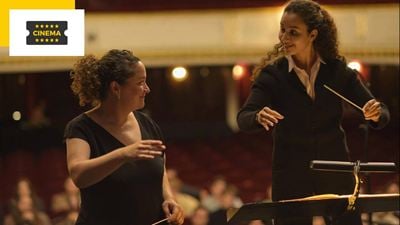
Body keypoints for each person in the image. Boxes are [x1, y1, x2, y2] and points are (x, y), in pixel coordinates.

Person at [236, 1, 390, 225]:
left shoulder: (338, 71)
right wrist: (257, 116)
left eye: (293, 32)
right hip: (290, 174)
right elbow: (243, 117)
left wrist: (375, 114)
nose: (284, 37)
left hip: (336, 169)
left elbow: (382, 112)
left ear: (313, 34)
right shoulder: (273, 75)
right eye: (282, 30)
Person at [64, 49, 184, 225]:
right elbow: (78, 175)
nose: (147, 89)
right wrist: (123, 154)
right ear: (115, 88)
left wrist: (169, 198)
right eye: (140, 83)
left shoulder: (148, 124)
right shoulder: (81, 127)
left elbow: (160, 167)